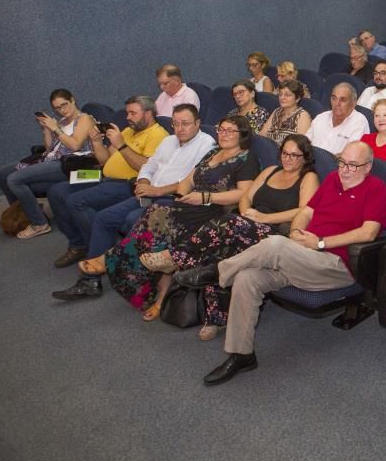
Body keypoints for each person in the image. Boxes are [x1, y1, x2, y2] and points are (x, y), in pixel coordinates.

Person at [178, 141, 386, 386]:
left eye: (353, 165)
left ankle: (216, 271)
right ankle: (241, 354)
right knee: (247, 278)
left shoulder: (376, 188)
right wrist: (297, 231)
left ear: (368, 166)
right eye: (342, 162)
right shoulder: (332, 179)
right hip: (303, 258)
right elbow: (307, 211)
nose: (345, 169)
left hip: (336, 265)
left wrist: (321, 242)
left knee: (275, 244)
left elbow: (368, 233)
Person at [52, 115, 260, 314]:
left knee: (159, 214)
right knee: (155, 211)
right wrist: (183, 193)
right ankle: (129, 270)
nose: (223, 134)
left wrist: (204, 197)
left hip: (214, 211)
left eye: (230, 131)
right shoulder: (212, 153)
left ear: (242, 134)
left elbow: (242, 194)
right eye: (221, 129)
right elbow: (188, 179)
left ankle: (113, 259)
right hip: (191, 204)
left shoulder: (246, 158)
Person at [141, 134, 320, 340]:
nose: (288, 159)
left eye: (294, 155)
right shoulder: (271, 171)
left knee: (227, 224)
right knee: (217, 251)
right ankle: (216, 317)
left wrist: (264, 218)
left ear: (305, 158)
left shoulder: (309, 178)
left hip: (275, 236)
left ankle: (176, 257)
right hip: (247, 224)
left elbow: (303, 211)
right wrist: (246, 213)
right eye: (285, 153)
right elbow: (246, 197)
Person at [82, 103, 216, 264]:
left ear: (198, 123)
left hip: (171, 200)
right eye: (176, 124)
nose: (180, 128)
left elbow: (193, 180)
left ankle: (125, 268)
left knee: (132, 219)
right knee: (103, 218)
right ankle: (93, 276)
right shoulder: (169, 141)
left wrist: (157, 191)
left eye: (185, 123)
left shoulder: (206, 144)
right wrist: (143, 183)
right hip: (148, 194)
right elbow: (149, 166)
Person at [46, 96, 169, 269]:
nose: (128, 117)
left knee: (75, 201)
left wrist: (122, 145)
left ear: (148, 114)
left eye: (133, 113)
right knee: (56, 191)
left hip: (124, 184)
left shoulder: (158, 135)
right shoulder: (127, 131)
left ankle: (98, 252)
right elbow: (105, 159)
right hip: (100, 176)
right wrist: (96, 142)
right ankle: (78, 244)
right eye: (127, 113)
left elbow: (147, 167)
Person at [0, 89, 95, 239]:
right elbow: (49, 149)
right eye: (57, 108)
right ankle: (23, 214)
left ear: (73, 100)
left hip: (72, 164)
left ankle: (39, 223)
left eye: (64, 105)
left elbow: (75, 146)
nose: (62, 110)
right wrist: (46, 130)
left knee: (14, 179)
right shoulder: (61, 121)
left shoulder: (85, 119)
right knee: (1, 174)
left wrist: (56, 129)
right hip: (51, 159)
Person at [305, 83, 369, 154]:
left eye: (343, 100)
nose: (337, 103)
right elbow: (305, 143)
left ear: (353, 103)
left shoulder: (359, 121)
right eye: (334, 98)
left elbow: (350, 154)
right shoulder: (321, 117)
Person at [257, 79, 312, 145]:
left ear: (297, 98)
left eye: (287, 95)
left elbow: (301, 146)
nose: (282, 97)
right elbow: (261, 135)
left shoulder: (302, 116)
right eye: (280, 94)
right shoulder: (277, 111)